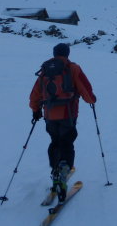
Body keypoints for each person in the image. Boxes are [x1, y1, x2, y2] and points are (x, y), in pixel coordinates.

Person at [30, 43, 96, 200]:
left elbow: (35, 94)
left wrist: (36, 110)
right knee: (67, 142)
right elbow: (85, 88)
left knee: (55, 142)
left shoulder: (45, 70)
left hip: (50, 115)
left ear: (54, 53)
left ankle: (55, 171)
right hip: (68, 114)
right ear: (68, 53)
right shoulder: (73, 68)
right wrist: (91, 100)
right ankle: (64, 170)